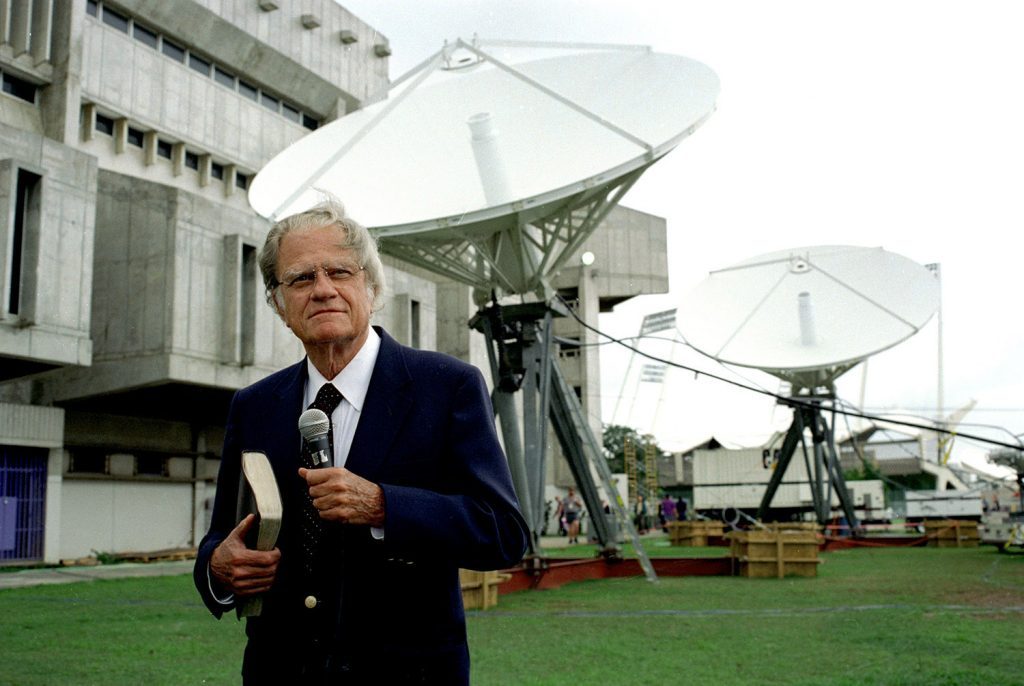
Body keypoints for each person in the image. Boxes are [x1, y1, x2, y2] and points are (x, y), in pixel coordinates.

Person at [193, 199, 528, 684]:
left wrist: (383, 505)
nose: (323, 290)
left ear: (370, 287)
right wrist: (220, 568)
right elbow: (220, 537)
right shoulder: (254, 405)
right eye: (302, 279)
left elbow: (504, 533)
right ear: (279, 304)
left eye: (340, 272)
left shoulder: (446, 386)